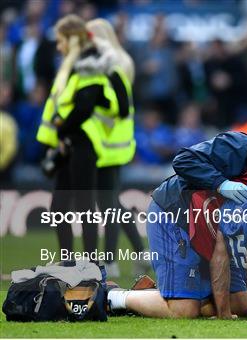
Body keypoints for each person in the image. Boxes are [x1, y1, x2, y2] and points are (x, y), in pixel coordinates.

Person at [107, 132, 247, 318]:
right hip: (176, 215)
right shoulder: (242, 146)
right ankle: (114, 296)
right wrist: (222, 184)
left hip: (208, 226)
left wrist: (224, 311)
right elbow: (183, 160)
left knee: (242, 305)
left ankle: (175, 296)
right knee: (184, 311)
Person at [35, 14, 113, 255]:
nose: (58, 46)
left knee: (84, 206)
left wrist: (61, 126)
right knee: (60, 207)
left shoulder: (88, 64)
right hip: (69, 143)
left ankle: (91, 264)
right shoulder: (73, 65)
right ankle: (68, 261)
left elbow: (84, 106)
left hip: (82, 144)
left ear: (71, 39)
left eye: (61, 41)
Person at [85, 18, 148, 278]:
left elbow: (108, 102)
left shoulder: (111, 61)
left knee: (107, 201)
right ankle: (139, 252)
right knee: (111, 199)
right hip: (118, 139)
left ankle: (110, 259)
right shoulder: (123, 59)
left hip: (108, 140)